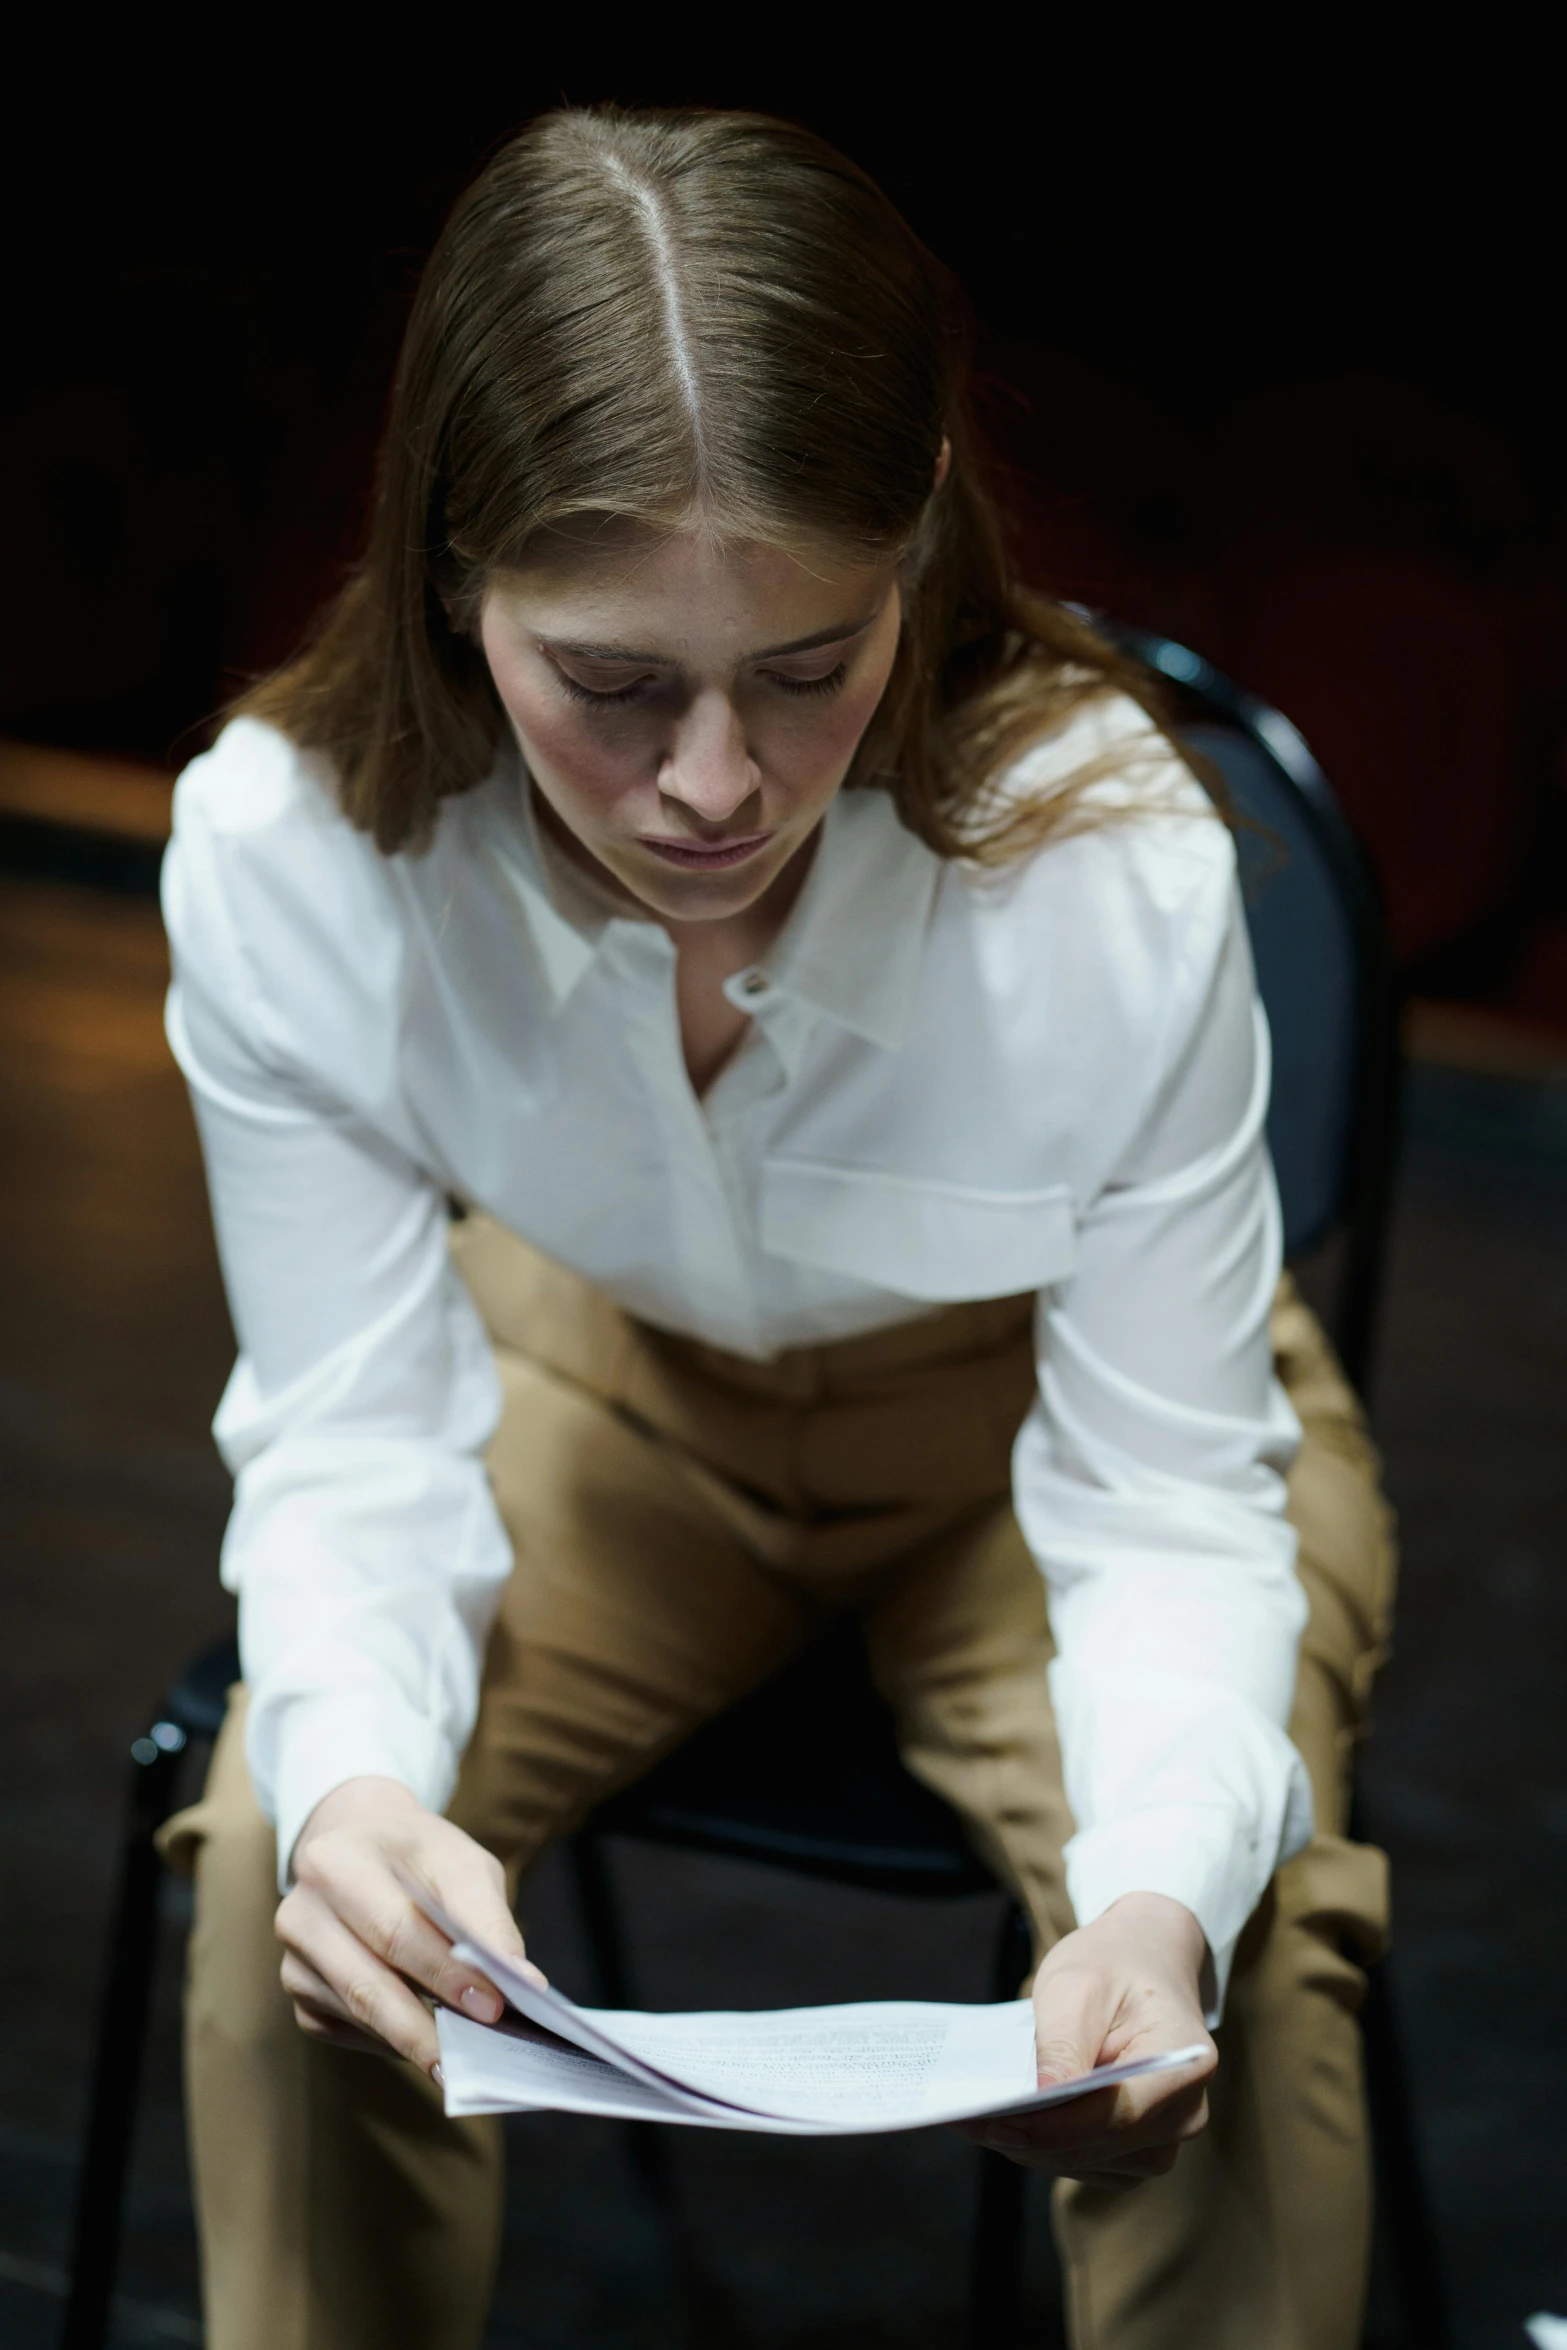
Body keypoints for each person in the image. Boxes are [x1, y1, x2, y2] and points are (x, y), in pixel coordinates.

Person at [158, 104, 1395, 2350]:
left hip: (1055, 1417)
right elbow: (348, 1428)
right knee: (293, 1875)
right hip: (608, 1377)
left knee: (1241, 1948)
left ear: (916, 542)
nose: (715, 785)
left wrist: (1153, 1896)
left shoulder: (1114, 869)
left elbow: (1166, 1495)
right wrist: (350, 1781)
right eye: (613, 684)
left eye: (808, 666)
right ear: (457, 579)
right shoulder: (288, 853)